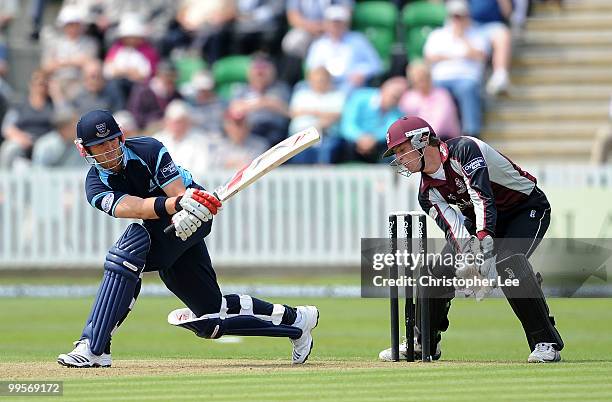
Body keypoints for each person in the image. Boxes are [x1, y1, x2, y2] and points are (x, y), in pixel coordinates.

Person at [57, 110, 319, 368]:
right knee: (211, 317)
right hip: (170, 218)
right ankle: (296, 322)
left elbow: (178, 190)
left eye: (112, 140)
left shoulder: (149, 149)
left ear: (121, 137)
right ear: (84, 150)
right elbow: (134, 207)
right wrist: (175, 204)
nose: (109, 149)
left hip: (194, 213)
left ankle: (93, 347)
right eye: (99, 145)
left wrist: (185, 203)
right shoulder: (95, 186)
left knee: (129, 251)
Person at [378, 116, 564, 363]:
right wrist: (471, 260)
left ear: (422, 140)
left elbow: (482, 198)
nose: (399, 158)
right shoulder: (427, 193)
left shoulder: (465, 150)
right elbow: (455, 230)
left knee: (509, 262)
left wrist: (485, 249)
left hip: (525, 209)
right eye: (396, 153)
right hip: (477, 221)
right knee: (437, 270)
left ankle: (546, 342)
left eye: (402, 150)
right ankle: (425, 344)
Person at [423, 0, 488, 137]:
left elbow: (480, 55)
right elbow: (429, 57)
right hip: (441, 78)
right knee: (436, 92)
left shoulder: (477, 33)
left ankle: (471, 133)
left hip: (467, 77)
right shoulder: (437, 34)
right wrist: (462, 55)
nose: (457, 20)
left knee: (467, 88)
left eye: (461, 16)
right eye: (455, 16)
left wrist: (463, 38)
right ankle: (434, 133)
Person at [305, 5, 382, 92]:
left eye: (339, 22)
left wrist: (362, 73)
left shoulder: (358, 40)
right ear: (326, 24)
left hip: (351, 86)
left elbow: (376, 64)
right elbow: (311, 67)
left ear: (346, 23)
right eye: (332, 22)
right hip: (324, 86)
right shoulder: (319, 44)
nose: (335, 26)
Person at [339, 76, 407, 163]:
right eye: (394, 96)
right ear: (383, 89)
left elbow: (391, 130)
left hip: (377, 144)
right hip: (353, 143)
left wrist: (373, 139)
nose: (395, 101)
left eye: (398, 98)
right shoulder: (359, 97)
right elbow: (347, 125)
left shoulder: (397, 111)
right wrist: (360, 138)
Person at [399, 62, 460, 140]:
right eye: (417, 78)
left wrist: (423, 138)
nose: (421, 81)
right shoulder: (408, 98)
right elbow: (404, 121)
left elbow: (440, 123)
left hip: (443, 138)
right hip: (418, 140)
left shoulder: (442, 95)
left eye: (423, 77)